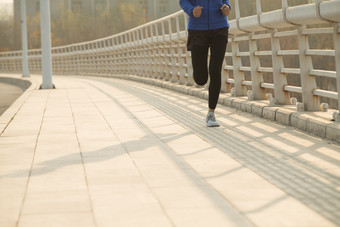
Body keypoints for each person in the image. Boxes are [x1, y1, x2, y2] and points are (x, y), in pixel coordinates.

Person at [179, 0, 231, 127]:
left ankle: (211, 114)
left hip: (219, 27)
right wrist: (191, 10)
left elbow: (225, 1)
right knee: (201, 79)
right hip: (197, 29)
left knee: (215, 69)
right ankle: (200, 77)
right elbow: (183, 1)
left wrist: (227, 7)